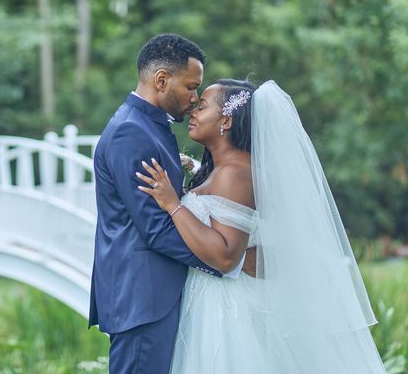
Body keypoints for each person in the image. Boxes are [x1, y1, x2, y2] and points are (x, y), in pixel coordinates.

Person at [137, 79, 386, 373]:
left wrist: (173, 204)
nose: (193, 110)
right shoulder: (230, 169)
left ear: (226, 121)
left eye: (202, 106)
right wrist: (188, 170)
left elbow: (226, 256)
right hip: (212, 300)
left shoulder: (234, 173)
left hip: (225, 312)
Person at [89, 34, 233, 374]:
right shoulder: (131, 133)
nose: (195, 99)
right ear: (161, 80)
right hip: (143, 299)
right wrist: (224, 261)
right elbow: (155, 228)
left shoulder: (146, 126)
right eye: (191, 87)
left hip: (154, 294)